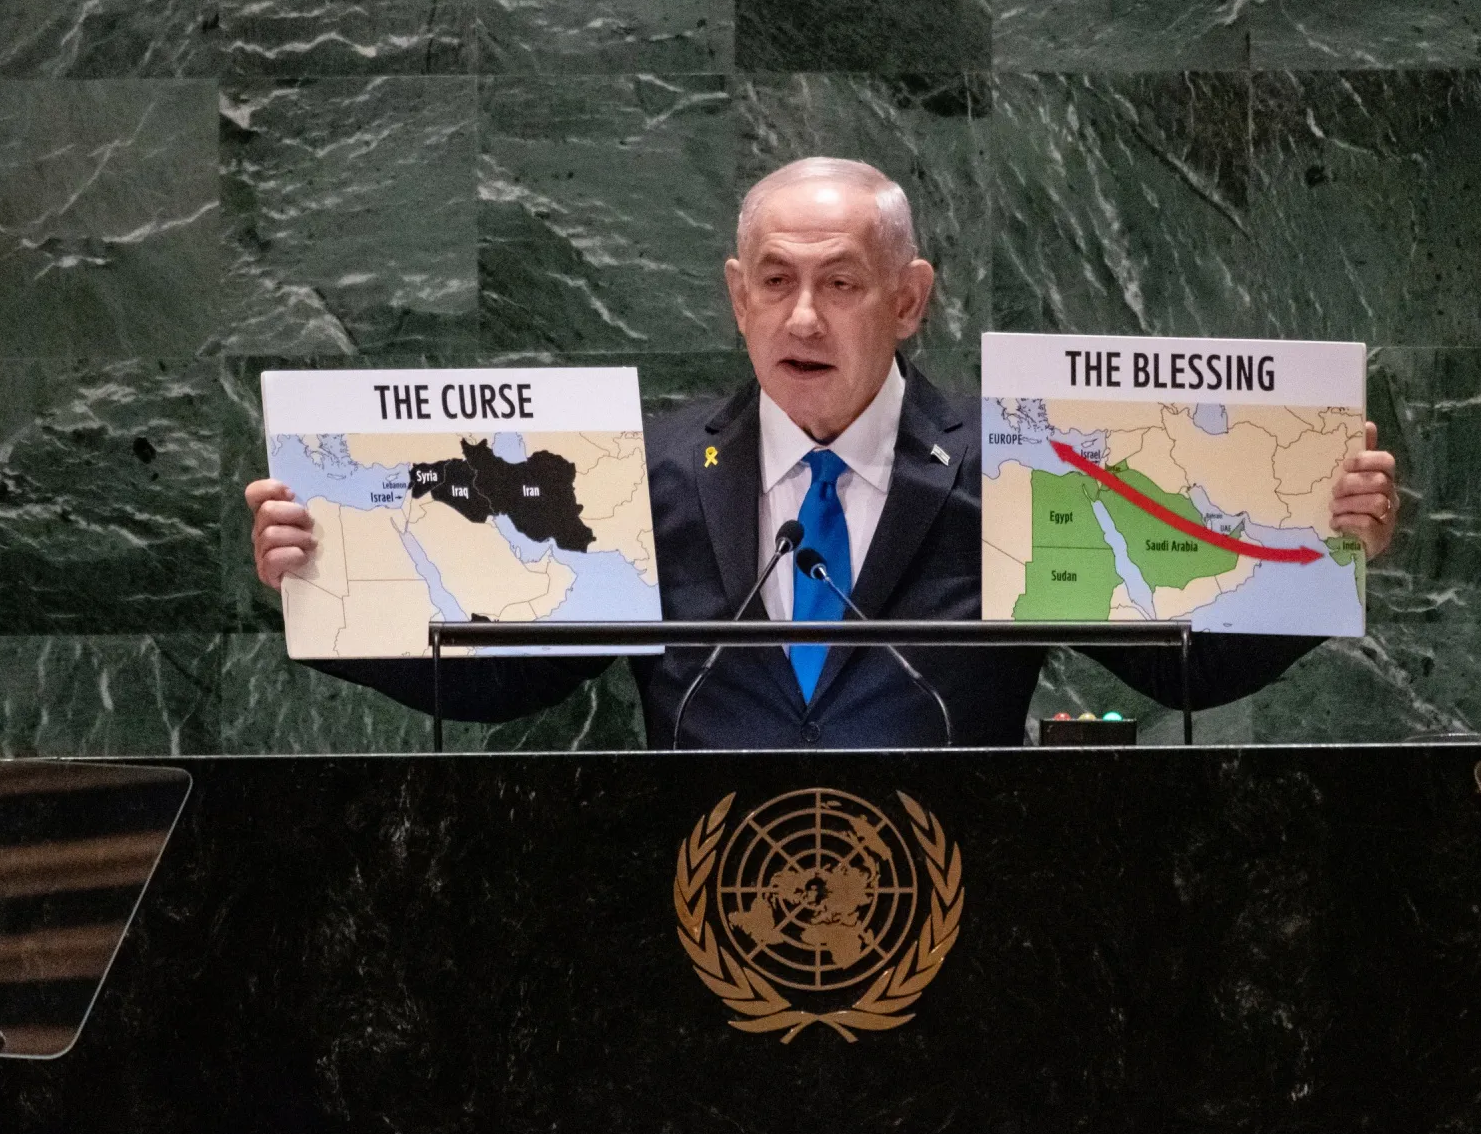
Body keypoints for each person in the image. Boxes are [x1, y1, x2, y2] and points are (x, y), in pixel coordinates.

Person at [245, 158, 1399, 749]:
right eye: (776, 282)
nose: (802, 318)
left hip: (952, 917)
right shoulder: (646, 472)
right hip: (700, 918)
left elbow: (1179, 669)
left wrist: (1321, 549)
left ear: (906, 300)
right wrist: (326, 583)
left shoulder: (1014, 469)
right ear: (736, 297)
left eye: (840, 283)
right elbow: (507, 677)